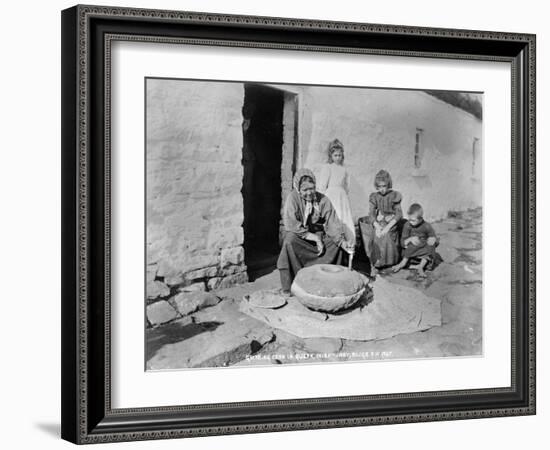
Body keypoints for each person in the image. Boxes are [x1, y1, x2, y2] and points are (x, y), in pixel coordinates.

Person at [277, 168, 355, 293]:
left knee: (336, 245)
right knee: (289, 241)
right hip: (301, 237)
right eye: (305, 190)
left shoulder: (322, 199)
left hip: (318, 236)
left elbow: (332, 222)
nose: (309, 193)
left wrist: (342, 242)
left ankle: (332, 282)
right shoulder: (293, 198)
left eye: (311, 188)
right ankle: (293, 285)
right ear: (298, 189)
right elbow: (291, 223)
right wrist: (313, 237)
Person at [359, 169, 403, 275]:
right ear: (377, 186)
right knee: (376, 235)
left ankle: (390, 261)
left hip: (391, 222)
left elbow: (399, 214)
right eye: (380, 186)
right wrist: (377, 226)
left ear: (388, 185)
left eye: (384, 186)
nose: (382, 189)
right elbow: (371, 213)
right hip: (379, 221)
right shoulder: (374, 196)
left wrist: (388, 226)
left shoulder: (394, 195)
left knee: (386, 234)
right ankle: (377, 263)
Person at [317, 139, 355, 243]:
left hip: (341, 197)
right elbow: (322, 186)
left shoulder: (344, 169)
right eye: (335, 155)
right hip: (331, 196)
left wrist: (344, 194)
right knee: (334, 217)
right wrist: (322, 200)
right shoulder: (328, 167)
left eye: (339, 155)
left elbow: (346, 186)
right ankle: (333, 240)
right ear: (331, 156)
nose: (338, 158)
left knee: (344, 217)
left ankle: (348, 242)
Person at [392, 203, 439, 278]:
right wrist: (410, 239)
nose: (410, 222)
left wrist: (433, 239)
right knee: (413, 244)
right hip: (410, 251)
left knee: (431, 246)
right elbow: (402, 242)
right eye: (409, 219)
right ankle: (402, 263)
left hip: (423, 249)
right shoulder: (407, 225)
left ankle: (420, 266)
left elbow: (434, 239)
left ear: (420, 219)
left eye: (413, 220)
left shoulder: (427, 226)